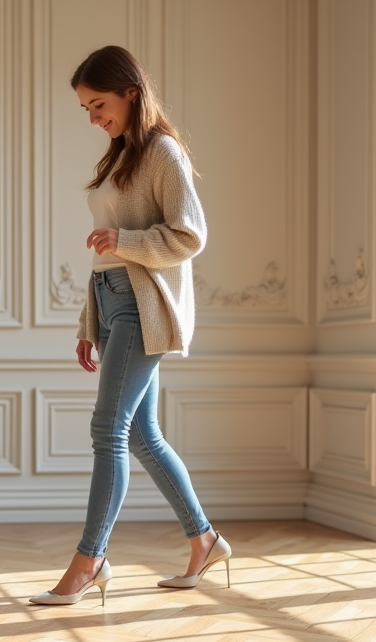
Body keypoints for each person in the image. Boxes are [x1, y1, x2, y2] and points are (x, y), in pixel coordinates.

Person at [29, 45, 231, 606]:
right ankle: (206, 540)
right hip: (112, 301)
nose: (94, 118)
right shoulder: (120, 157)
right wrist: (86, 322)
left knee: (107, 430)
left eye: (99, 104)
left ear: (131, 93)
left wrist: (128, 241)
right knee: (141, 434)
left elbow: (190, 236)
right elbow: (104, 257)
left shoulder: (163, 152)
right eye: (87, 109)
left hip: (143, 307)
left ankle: (88, 561)